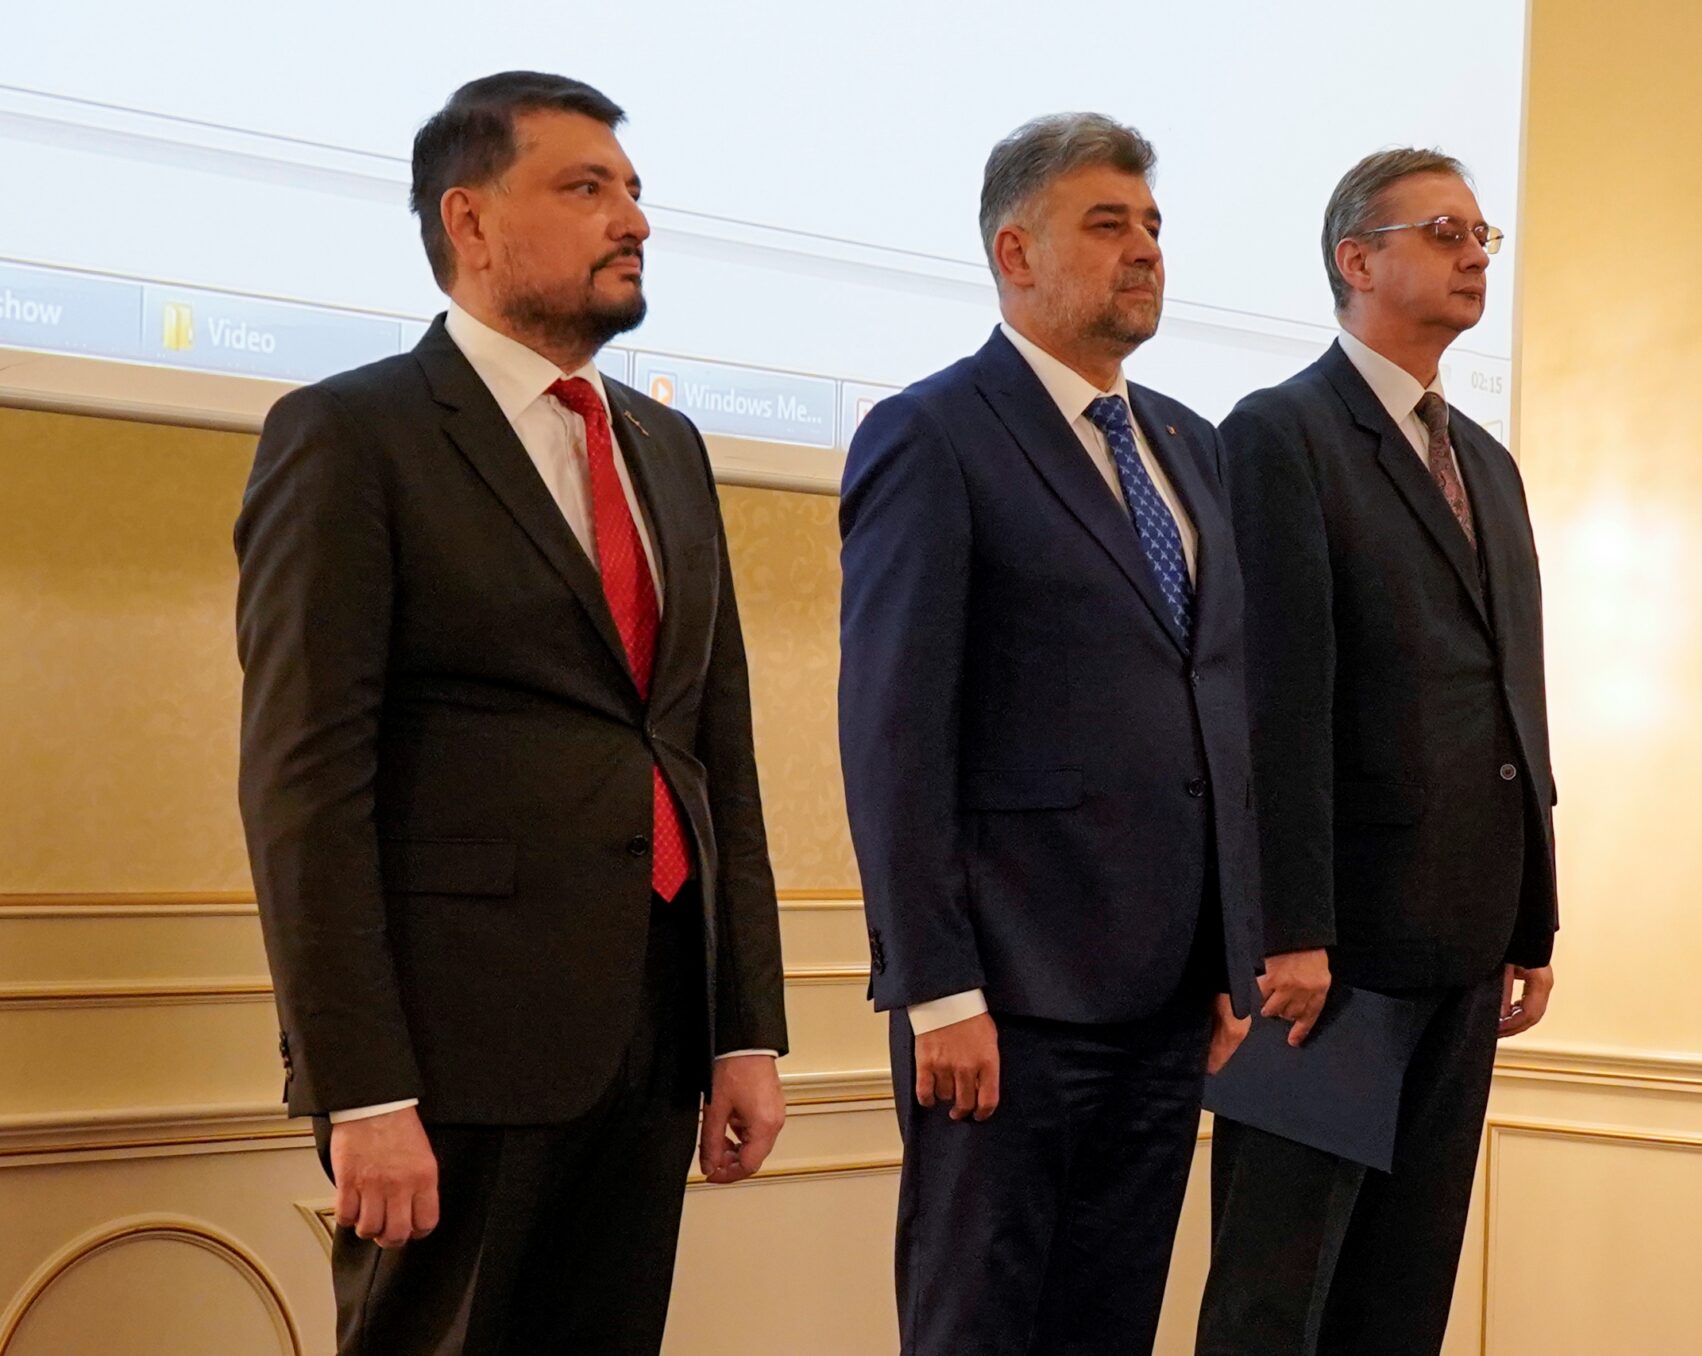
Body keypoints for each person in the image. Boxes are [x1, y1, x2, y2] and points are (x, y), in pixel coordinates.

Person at [233, 71, 788, 1354]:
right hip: (451, 1059)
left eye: (633, 190)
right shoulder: (350, 433)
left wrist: (744, 1029)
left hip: (652, 1037)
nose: (632, 219)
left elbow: (714, 752)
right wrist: (361, 1087)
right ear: (470, 221)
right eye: (586, 188)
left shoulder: (667, 447)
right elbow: (304, 788)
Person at [834, 112, 1264, 1356]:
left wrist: (1228, 948)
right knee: (981, 1326)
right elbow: (893, 735)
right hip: (1008, 1000)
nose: (1145, 249)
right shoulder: (934, 433)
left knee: (1108, 1328)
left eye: (1153, 225)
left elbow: (1212, 702)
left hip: (1166, 996)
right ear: (1014, 252)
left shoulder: (1186, 442)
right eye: (1107, 223)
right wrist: (936, 990)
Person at [1196, 148, 1558, 1356]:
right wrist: (1287, 930)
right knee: (1275, 1298)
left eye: (1481, 235)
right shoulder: (1280, 433)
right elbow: (1275, 698)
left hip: (1468, 938)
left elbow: (1513, 699)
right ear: (1355, 260)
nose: (1473, 255)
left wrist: (1533, 917)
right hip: (1334, 958)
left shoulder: (1487, 464)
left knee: (1402, 1298)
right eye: (1443, 232)